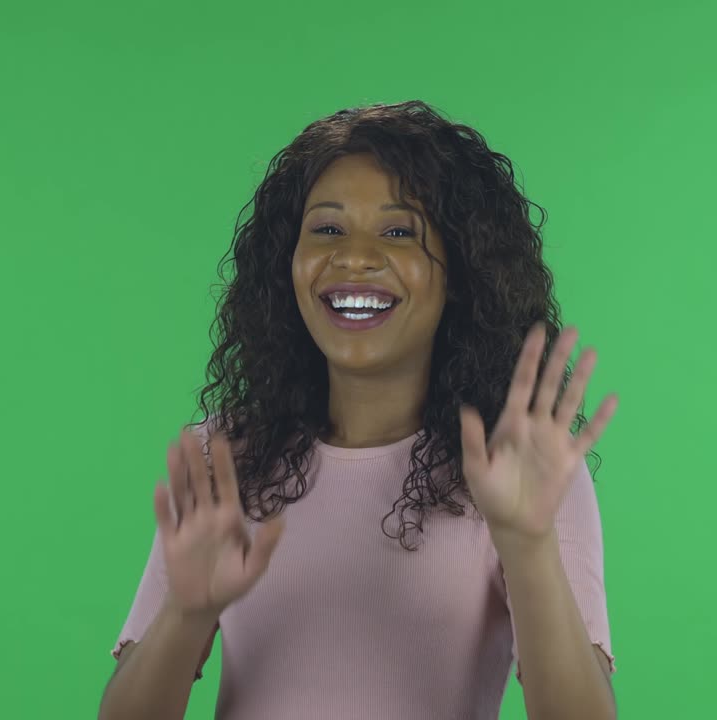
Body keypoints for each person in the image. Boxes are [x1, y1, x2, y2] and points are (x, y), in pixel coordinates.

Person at [98, 100, 619, 720]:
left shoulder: (522, 465)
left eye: (400, 232)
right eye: (327, 229)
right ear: (285, 263)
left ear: (461, 272)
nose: (355, 258)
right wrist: (187, 612)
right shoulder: (226, 458)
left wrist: (527, 543)